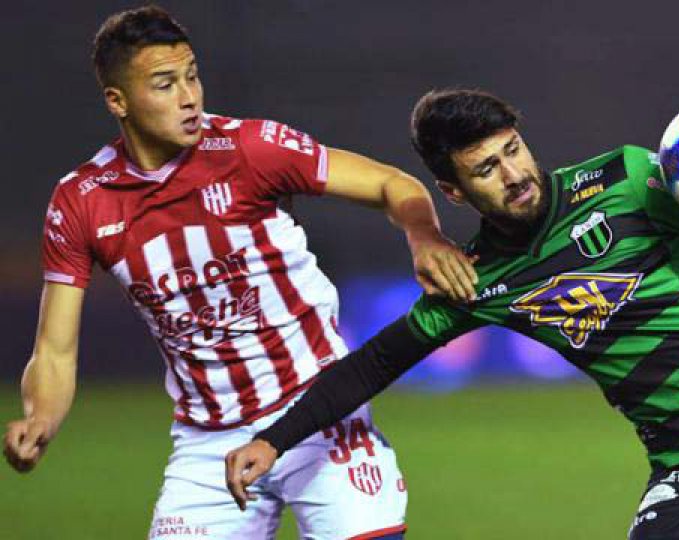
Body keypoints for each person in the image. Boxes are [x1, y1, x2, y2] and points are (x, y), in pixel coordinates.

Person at [226, 89, 679, 539]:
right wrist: (276, 438)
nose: (514, 175)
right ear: (453, 192)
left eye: (513, 151)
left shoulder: (629, 179)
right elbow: (375, 363)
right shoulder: (479, 279)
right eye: (486, 169)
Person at [1, 7, 477, 540]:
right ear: (118, 101)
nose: (189, 96)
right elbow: (55, 350)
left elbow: (392, 183)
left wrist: (424, 237)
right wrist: (40, 419)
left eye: (192, 75)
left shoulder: (250, 150)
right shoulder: (82, 202)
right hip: (208, 443)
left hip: (319, 412)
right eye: (165, 84)